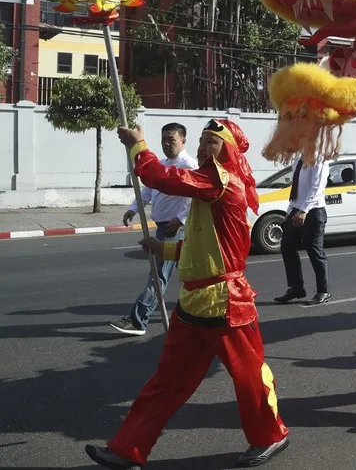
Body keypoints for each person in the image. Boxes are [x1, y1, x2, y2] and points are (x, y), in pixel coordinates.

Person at [85, 119, 289, 469]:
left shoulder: (222, 182)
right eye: (202, 140)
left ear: (227, 151)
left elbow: (165, 178)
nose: (203, 147)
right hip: (194, 304)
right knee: (166, 381)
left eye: (212, 141)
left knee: (249, 377)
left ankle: (271, 435)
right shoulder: (207, 190)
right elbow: (200, 247)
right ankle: (127, 449)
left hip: (226, 301)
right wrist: (163, 249)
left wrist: (139, 147)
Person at [110, 123, 197, 336]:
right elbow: (149, 189)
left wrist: (181, 220)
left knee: (158, 276)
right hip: (162, 227)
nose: (167, 144)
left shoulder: (189, 166)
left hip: (174, 229)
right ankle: (198, 316)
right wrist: (133, 209)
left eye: (172, 140)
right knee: (191, 276)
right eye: (163, 140)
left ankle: (138, 320)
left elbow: (197, 197)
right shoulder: (162, 163)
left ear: (183, 141)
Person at [274, 156, 331, 305]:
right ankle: (296, 288)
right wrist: (290, 211)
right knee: (287, 246)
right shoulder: (298, 160)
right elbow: (297, 188)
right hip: (297, 208)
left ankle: (322, 291)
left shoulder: (319, 159)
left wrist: (304, 210)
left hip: (313, 210)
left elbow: (317, 188)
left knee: (314, 250)